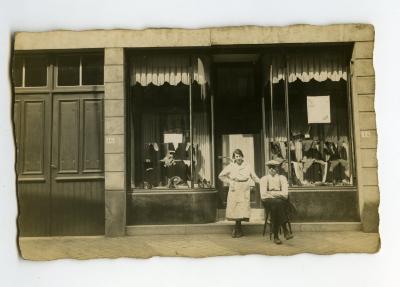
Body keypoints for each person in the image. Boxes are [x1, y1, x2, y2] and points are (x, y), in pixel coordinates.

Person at [218, 149, 260, 238]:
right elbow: (221, 175)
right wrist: (230, 182)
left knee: (242, 209)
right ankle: (238, 229)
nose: (238, 158)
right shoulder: (231, 166)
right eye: (236, 156)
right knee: (235, 208)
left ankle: (237, 229)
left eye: (240, 156)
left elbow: (254, 176)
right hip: (235, 188)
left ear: (242, 156)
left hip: (244, 188)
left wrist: (262, 181)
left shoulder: (248, 166)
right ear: (234, 157)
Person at [260, 160, 294, 244]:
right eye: (270, 167)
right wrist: (278, 194)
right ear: (268, 168)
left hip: (280, 202)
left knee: (276, 205)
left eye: (274, 167)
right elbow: (263, 196)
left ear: (277, 168)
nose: (271, 169)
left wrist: (271, 193)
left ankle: (276, 236)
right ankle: (285, 230)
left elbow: (285, 194)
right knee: (277, 203)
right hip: (268, 202)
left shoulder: (282, 178)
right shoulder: (264, 179)